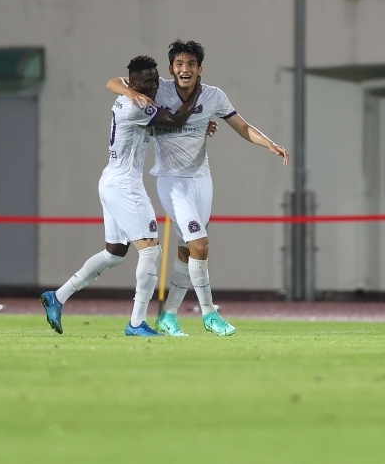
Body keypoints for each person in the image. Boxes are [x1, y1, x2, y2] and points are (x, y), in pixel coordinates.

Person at [108, 39, 289, 337]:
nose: (185, 69)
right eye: (179, 64)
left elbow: (242, 126)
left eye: (191, 64)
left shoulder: (214, 96)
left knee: (187, 250)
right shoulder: (160, 88)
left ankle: (168, 316)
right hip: (171, 180)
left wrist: (269, 143)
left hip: (202, 179)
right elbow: (113, 81)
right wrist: (129, 91)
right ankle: (209, 314)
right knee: (201, 245)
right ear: (171, 69)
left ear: (199, 68)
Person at [40, 55, 202, 336]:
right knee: (151, 251)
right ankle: (137, 323)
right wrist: (198, 96)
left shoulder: (130, 95)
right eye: (147, 81)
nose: (152, 86)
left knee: (115, 253)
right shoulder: (134, 106)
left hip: (111, 181)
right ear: (134, 81)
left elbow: (113, 82)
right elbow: (174, 121)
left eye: (154, 80)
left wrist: (128, 89)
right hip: (126, 185)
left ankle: (58, 296)